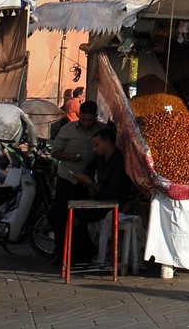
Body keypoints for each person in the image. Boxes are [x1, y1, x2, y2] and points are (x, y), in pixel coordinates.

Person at [48, 101, 104, 265]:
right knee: (60, 216)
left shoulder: (103, 131)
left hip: (88, 181)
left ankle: (83, 253)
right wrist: (70, 157)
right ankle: (60, 253)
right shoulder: (67, 130)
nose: (86, 123)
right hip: (68, 178)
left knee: (82, 219)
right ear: (79, 116)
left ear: (96, 117)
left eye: (89, 120)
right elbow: (55, 152)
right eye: (83, 119)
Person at [70, 126, 135, 264]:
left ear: (107, 143)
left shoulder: (119, 162)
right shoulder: (99, 158)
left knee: (78, 217)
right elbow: (89, 168)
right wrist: (85, 178)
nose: (95, 149)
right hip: (99, 199)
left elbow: (112, 193)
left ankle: (88, 251)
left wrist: (89, 183)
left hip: (113, 203)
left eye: (97, 145)